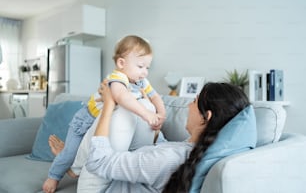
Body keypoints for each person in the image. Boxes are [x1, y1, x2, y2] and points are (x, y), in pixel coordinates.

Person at [42, 35, 166, 193]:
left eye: (147, 67)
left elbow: (155, 96)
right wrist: (147, 114)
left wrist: (161, 113)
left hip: (101, 124)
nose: (145, 73)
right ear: (121, 63)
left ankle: (74, 169)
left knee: (89, 152)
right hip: (85, 121)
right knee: (69, 153)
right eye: (141, 66)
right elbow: (122, 97)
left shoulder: (140, 81)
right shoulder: (116, 78)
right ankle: (53, 176)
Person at [83, 80, 256, 192]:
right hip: (131, 173)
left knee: (123, 112)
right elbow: (162, 151)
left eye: (194, 101)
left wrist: (108, 104)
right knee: (145, 107)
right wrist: (155, 126)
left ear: (206, 117)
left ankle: (72, 164)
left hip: (99, 186)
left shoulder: (168, 159)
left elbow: (98, 162)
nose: (189, 105)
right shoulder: (191, 152)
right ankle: (72, 158)